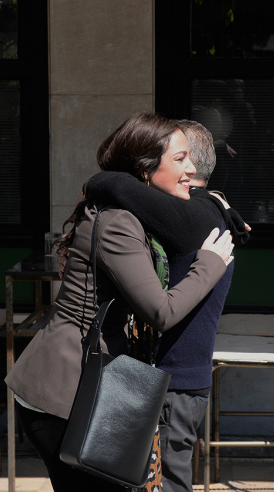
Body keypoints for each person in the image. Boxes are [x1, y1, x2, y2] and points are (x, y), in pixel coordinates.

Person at [4, 112, 235, 492]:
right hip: (62, 393)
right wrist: (208, 267)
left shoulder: (130, 214)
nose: (191, 169)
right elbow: (161, 312)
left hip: (90, 386)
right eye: (180, 159)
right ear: (145, 169)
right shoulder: (118, 224)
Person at [84, 120, 240, 492]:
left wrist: (97, 182)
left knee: (165, 484)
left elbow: (117, 185)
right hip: (154, 375)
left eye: (182, 156)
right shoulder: (202, 210)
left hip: (172, 380)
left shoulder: (196, 215)